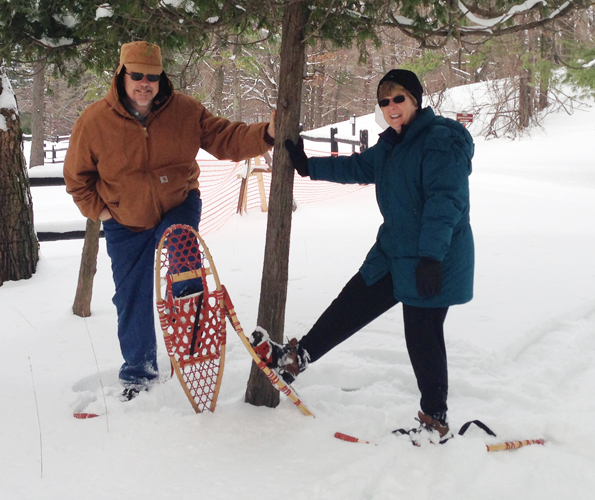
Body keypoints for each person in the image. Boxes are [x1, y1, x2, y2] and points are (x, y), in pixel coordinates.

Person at [252, 69, 474, 439]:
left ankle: (435, 418)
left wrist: (432, 258)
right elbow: (357, 166)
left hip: (433, 258)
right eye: (384, 101)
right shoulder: (393, 145)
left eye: (399, 98)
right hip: (395, 252)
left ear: (415, 99)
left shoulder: (439, 141)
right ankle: (296, 359)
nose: (391, 107)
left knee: (422, 334)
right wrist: (309, 167)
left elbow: (446, 203)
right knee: (352, 302)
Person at [64, 41, 275, 399]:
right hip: (125, 220)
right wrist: (101, 211)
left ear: (162, 78)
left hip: (178, 203)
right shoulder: (95, 121)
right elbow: (77, 178)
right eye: (137, 75)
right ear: (122, 75)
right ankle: (138, 372)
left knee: (183, 268)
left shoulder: (185, 111)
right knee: (131, 296)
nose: (144, 83)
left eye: (153, 76)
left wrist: (267, 134)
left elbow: (226, 138)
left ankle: (192, 346)